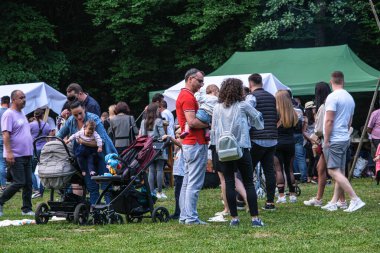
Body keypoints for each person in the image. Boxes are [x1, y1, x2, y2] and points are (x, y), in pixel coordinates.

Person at [212, 78, 265, 227]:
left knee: (229, 182)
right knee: (248, 182)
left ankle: (234, 218)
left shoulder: (217, 108)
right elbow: (258, 122)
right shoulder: (243, 105)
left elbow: (214, 130)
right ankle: (255, 218)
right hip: (241, 148)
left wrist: (216, 149)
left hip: (224, 149)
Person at [56, 101, 117, 205]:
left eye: (80, 113)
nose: (78, 117)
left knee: (106, 186)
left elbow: (101, 141)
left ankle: (110, 211)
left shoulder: (94, 119)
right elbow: (59, 136)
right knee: (92, 187)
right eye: (75, 115)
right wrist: (58, 145)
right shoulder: (71, 121)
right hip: (84, 159)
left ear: (84, 109)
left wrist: (82, 142)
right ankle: (95, 213)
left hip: (100, 155)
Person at [321, 71, 365, 212]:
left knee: (333, 171)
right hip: (345, 137)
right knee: (339, 171)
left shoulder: (332, 97)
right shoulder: (350, 98)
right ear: (343, 81)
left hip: (334, 138)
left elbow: (329, 120)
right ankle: (335, 202)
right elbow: (350, 121)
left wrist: (326, 139)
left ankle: (355, 199)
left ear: (331, 81)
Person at [176, 68, 209, 225]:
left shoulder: (185, 95)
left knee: (187, 181)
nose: (202, 84)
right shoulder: (188, 97)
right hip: (195, 143)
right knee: (194, 183)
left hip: (189, 143)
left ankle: (184, 216)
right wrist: (209, 123)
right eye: (200, 81)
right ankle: (191, 218)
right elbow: (192, 122)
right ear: (190, 79)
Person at [246, 73, 277, 210]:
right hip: (272, 138)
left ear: (250, 84)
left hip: (257, 138)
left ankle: (243, 199)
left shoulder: (251, 97)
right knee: (269, 170)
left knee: (248, 170)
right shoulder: (272, 97)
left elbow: (247, 116)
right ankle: (270, 202)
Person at [0, 90, 34, 217]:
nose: (24, 100)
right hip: (15, 154)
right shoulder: (9, 114)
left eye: (24, 97)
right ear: (13, 100)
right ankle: (0, 202)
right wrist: (9, 152)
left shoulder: (22, 113)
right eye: (21, 98)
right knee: (19, 182)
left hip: (27, 154)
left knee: (29, 183)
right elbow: (5, 134)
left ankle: (26, 209)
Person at [274, 90, 299, 204]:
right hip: (290, 143)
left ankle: (281, 195)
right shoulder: (293, 113)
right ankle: (293, 195)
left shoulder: (275, 112)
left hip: (277, 143)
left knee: (278, 169)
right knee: (289, 169)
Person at [139, 103, 168, 199]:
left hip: (148, 148)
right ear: (155, 111)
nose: (159, 110)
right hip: (158, 147)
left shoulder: (143, 121)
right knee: (159, 169)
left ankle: (151, 192)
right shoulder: (159, 121)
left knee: (151, 170)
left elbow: (143, 136)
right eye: (158, 109)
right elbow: (162, 135)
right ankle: (159, 192)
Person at [30, 108, 53, 198]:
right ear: (43, 115)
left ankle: (35, 190)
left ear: (34, 116)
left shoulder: (31, 125)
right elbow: (50, 138)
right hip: (43, 149)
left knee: (31, 170)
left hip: (33, 149)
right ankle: (41, 191)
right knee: (43, 170)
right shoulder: (47, 125)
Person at [303, 101, 318, 183]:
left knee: (317, 159)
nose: (314, 109)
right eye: (313, 108)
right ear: (309, 110)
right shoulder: (306, 119)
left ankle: (315, 175)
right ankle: (309, 176)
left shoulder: (316, 116)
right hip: (309, 142)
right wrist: (311, 139)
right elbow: (304, 131)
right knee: (312, 159)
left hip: (316, 140)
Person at [0, 96, 10, 192]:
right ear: (9, 102)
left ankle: (3, 185)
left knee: (1, 162)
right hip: (8, 138)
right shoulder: (10, 112)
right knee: (10, 161)